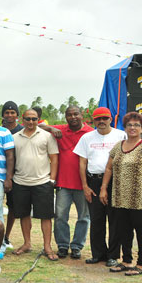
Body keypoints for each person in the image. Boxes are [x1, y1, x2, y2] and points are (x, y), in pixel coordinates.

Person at [100, 112, 142, 276]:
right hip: (121, 197)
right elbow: (108, 168)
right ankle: (126, 261)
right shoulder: (118, 146)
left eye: (136, 125)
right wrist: (103, 188)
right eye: (129, 125)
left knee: (141, 230)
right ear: (125, 128)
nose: (133, 127)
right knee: (124, 230)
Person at [73, 107, 125, 267]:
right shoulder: (87, 138)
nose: (101, 121)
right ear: (93, 121)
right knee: (96, 220)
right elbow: (82, 163)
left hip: (115, 182)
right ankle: (98, 254)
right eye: (98, 119)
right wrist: (85, 186)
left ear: (111, 119)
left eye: (105, 118)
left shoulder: (121, 136)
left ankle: (113, 255)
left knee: (115, 220)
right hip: (93, 181)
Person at [40, 106, 94, 259]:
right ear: (65, 117)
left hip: (83, 184)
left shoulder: (90, 132)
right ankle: (63, 245)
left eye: (76, 114)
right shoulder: (61, 130)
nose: (73, 117)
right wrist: (51, 128)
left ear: (81, 115)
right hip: (63, 183)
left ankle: (77, 246)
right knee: (60, 216)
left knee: (83, 217)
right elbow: (39, 126)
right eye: (69, 115)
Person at [11, 109, 59, 260]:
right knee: (24, 214)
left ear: (38, 119)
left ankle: (47, 246)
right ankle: (27, 243)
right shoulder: (14, 138)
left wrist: (52, 179)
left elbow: (54, 158)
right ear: (22, 120)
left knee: (46, 216)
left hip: (43, 182)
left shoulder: (46, 136)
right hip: (20, 181)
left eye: (34, 119)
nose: (31, 122)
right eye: (28, 119)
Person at [1, 101, 24, 249]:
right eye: (7, 113)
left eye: (12, 113)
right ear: (2, 115)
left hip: (17, 174)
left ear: (17, 115)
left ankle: (6, 236)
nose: (10, 115)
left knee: (13, 207)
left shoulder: (23, 130)